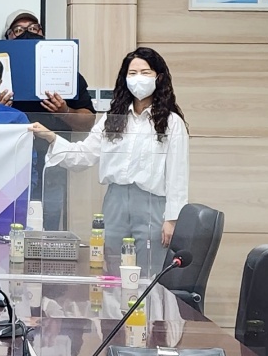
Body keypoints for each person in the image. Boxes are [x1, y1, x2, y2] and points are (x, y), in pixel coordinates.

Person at [30, 47, 189, 275]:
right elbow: (84, 155)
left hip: (153, 203)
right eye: (132, 73)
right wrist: (52, 137)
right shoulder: (112, 119)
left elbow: (178, 174)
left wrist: (173, 219)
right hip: (115, 201)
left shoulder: (172, 123)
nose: (138, 78)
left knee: (149, 270)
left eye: (145, 73)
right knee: (112, 269)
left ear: (159, 78)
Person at [0, 9, 98, 231]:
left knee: (48, 227)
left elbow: (88, 122)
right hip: (8, 167)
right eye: (18, 30)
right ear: (8, 37)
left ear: (43, 34)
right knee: (6, 226)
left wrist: (64, 111)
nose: (27, 34)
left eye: (33, 29)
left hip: (51, 167)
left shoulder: (65, 73)